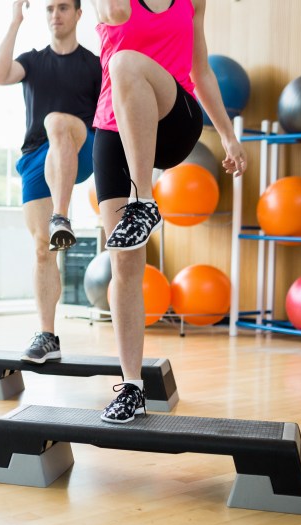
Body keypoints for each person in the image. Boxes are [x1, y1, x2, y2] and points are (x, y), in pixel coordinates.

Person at [91, 0, 246, 422]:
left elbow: (202, 70)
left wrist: (229, 136)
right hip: (114, 130)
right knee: (124, 264)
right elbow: (116, 14)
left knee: (124, 62)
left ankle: (143, 201)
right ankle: (131, 388)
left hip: (175, 117)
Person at [0, 0, 101, 364]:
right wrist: (14, 22)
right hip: (37, 157)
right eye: (50, 8)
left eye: (64, 7)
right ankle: (47, 336)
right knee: (42, 250)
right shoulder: (33, 61)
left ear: (78, 14)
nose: (56, 14)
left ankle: (62, 214)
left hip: (81, 146)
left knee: (56, 121)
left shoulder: (93, 65)